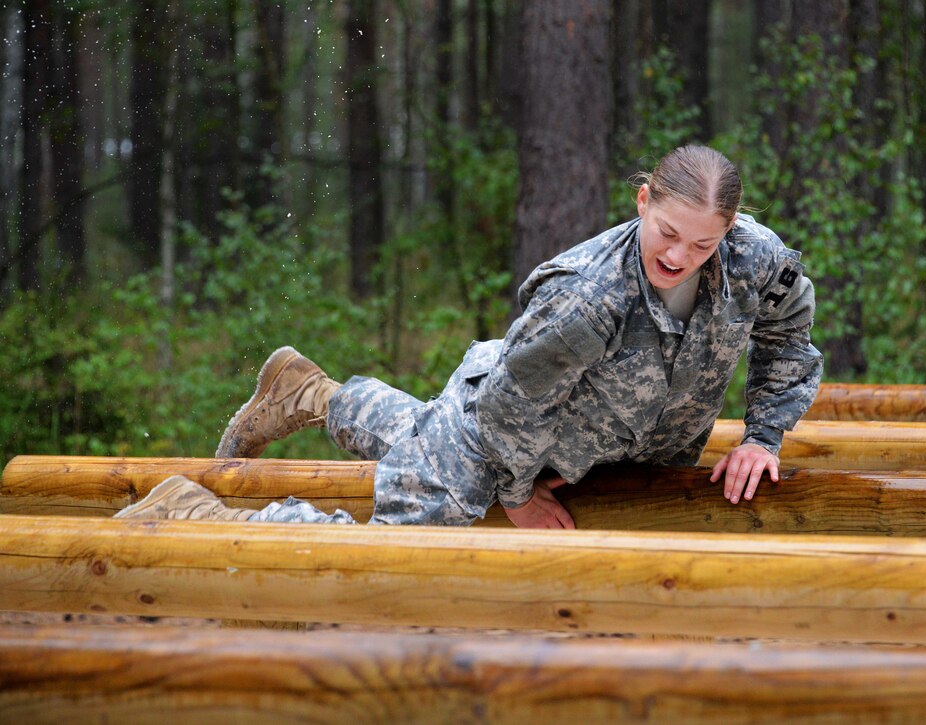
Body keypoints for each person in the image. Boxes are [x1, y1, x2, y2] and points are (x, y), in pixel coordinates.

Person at [116, 145, 823, 528]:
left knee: (421, 433)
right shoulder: (585, 297)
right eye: (667, 233)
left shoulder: (754, 259)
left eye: (702, 244)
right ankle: (199, 513)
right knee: (400, 558)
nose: (679, 255)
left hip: (598, 447)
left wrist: (763, 434)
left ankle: (308, 391)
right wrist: (515, 496)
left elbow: (791, 340)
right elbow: (510, 407)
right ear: (643, 200)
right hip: (494, 428)